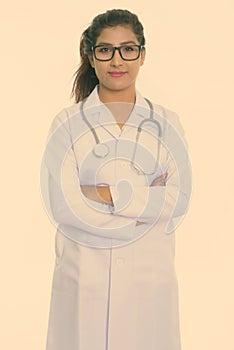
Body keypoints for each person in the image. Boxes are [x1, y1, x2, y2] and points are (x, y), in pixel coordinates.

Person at [41, 8, 192, 350]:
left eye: (128, 48)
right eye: (105, 50)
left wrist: (104, 194)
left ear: (142, 54)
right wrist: (144, 200)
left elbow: (177, 199)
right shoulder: (67, 125)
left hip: (147, 281)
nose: (117, 60)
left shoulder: (167, 124)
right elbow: (64, 206)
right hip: (84, 281)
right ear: (91, 56)